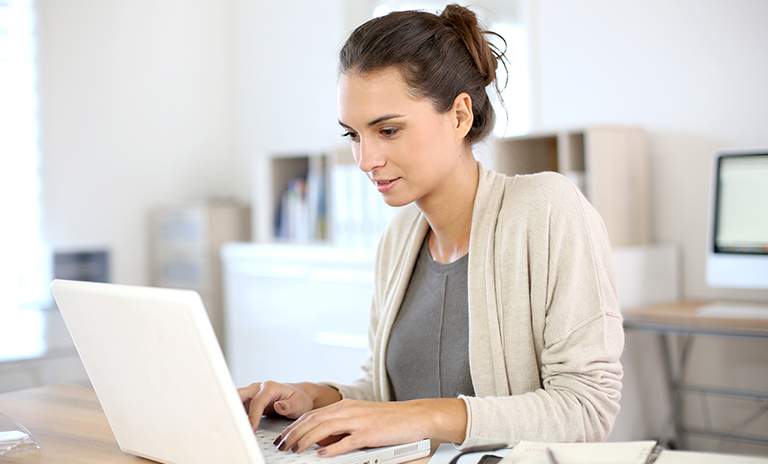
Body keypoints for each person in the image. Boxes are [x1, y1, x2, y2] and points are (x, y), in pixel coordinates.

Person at [238, 3, 624, 457]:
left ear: (460, 117)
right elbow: (387, 394)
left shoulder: (545, 211)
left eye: (388, 130)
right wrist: (318, 397)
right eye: (354, 135)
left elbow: (587, 409)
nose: (366, 160)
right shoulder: (400, 238)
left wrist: (423, 415)